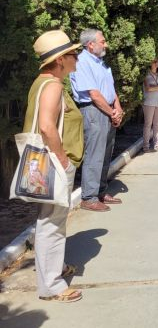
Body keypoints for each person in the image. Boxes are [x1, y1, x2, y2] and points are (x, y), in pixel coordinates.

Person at [26, 30, 84, 302]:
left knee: (51, 219)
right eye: (74, 54)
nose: (77, 58)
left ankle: (54, 267)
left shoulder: (42, 82)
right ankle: (52, 285)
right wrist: (62, 159)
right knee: (52, 223)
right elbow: (48, 127)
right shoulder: (53, 86)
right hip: (53, 164)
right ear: (60, 59)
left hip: (43, 164)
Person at [70, 29, 124, 212]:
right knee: (95, 154)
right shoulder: (82, 62)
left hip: (107, 110)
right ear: (90, 44)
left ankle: (101, 191)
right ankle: (89, 197)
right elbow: (93, 94)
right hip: (94, 111)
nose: (105, 44)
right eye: (102, 41)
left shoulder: (100, 63)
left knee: (106, 152)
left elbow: (110, 89)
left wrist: (118, 108)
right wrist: (112, 112)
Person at [142, 58, 158, 153]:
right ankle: (146, 146)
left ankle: (157, 144)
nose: (157, 63)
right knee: (148, 124)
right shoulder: (146, 75)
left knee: (157, 124)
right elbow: (148, 89)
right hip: (149, 102)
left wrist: (155, 88)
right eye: (154, 62)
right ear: (150, 63)